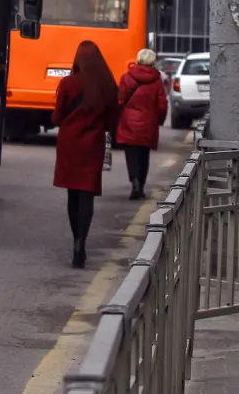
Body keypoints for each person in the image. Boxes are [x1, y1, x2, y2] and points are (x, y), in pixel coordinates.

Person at [52, 40, 120, 269]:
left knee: (73, 194)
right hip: (93, 145)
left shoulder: (69, 83)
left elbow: (57, 117)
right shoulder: (106, 86)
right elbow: (113, 120)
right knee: (87, 195)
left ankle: (75, 242)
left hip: (70, 144)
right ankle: (82, 241)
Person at [115, 49, 169, 200]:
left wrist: (119, 116)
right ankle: (141, 185)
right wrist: (159, 120)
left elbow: (120, 100)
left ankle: (135, 182)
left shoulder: (126, 78)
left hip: (129, 122)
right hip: (148, 123)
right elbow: (162, 105)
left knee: (131, 155)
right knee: (144, 156)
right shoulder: (157, 81)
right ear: (153, 62)